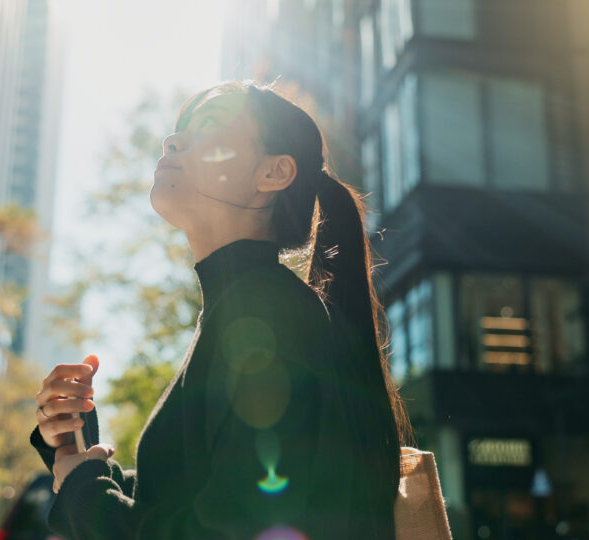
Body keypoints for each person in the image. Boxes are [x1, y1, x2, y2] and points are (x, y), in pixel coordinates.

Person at [30, 79, 414, 539]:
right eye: (180, 129)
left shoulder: (263, 317)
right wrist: (74, 447)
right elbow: (193, 501)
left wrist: (82, 491)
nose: (173, 139)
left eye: (209, 123)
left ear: (273, 173)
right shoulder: (250, 310)